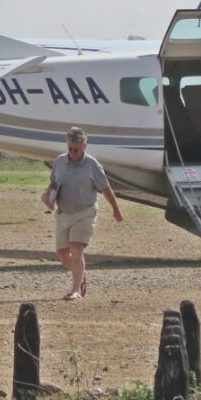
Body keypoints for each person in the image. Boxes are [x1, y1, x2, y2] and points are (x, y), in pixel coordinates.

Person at [41, 127, 122, 300]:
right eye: (70, 148)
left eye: (76, 149)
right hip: (64, 214)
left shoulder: (93, 165)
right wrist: (47, 196)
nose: (72, 152)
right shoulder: (60, 162)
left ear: (84, 146)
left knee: (76, 250)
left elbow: (105, 189)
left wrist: (116, 209)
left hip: (85, 212)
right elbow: (54, 184)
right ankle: (80, 273)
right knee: (63, 255)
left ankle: (76, 290)